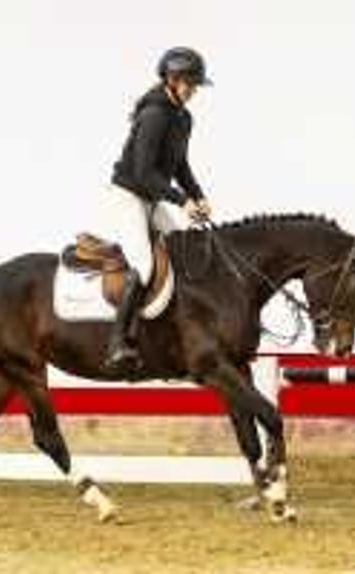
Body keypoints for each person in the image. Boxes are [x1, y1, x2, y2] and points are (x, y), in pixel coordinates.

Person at [102, 46, 213, 370]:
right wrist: (182, 201)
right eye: (190, 83)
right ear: (173, 78)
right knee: (146, 264)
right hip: (129, 195)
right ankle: (117, 342)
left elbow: (179, 166)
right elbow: (143, 172)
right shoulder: (154, 115)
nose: (194, 90)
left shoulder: (183, 118)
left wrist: (198, 195)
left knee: (186, 249)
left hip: (152, 197)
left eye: (196, 84)